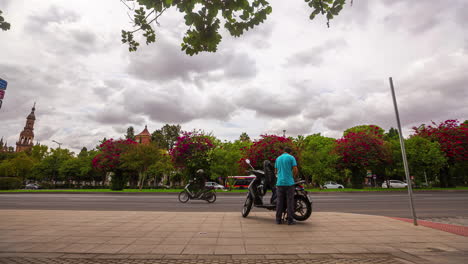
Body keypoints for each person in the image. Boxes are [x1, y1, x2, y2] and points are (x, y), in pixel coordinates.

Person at [274, 146, 298, 225]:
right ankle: (290, 220)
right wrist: (293, 177)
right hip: (289, 183)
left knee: (279, 202)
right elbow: (295, 169)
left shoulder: (278, 158)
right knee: (290, 202)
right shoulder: (291, 157)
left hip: (280, 183)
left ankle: (278, 220)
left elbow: (276, 171)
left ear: (284, 151)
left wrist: (280, 176)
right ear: (290, 152)